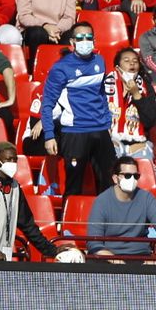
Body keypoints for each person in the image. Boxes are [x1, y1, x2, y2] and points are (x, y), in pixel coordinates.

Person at [40, 24, 114, 198]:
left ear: (94, 40)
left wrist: (107, 121)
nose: (85, 41)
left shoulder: (100, 61)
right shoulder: (61, 68)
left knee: (110, 184)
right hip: (75, 132)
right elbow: (48, 103)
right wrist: (49, 135)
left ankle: (107, 224)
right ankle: (68, 224)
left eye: (88, 37)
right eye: (80, 38)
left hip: (100, 130)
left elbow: (101, 94)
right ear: (72, 42)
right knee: (74, 186)